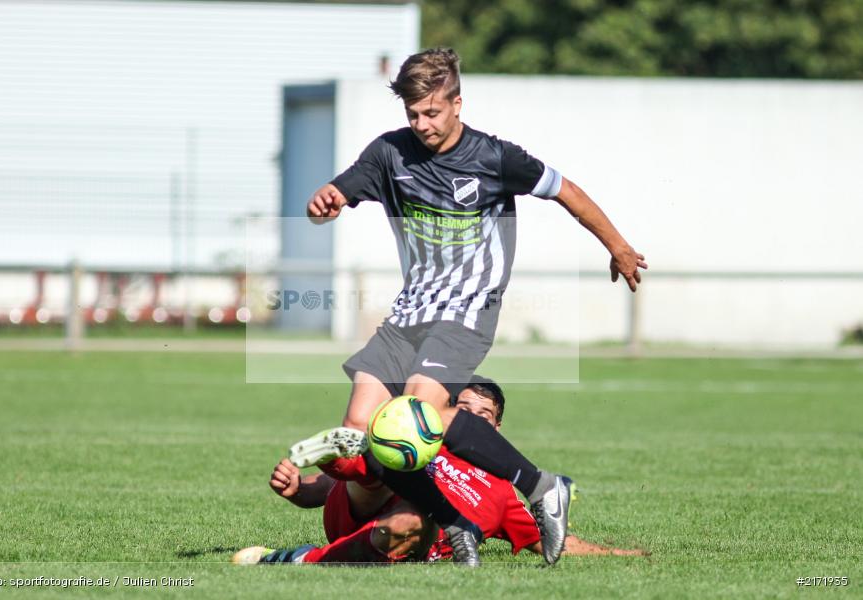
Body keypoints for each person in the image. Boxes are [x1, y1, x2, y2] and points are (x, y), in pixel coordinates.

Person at [293, 47, 647, 566]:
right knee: (367, 436)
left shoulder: (496, 158)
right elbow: (339, 193)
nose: (422, 124)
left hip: (466, 308)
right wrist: (323, 202)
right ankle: (454, 520)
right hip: (409, 313)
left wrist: (616, 245)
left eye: (432, 112)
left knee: (419, 412)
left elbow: (565, 190)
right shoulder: (390, 154)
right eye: (412, 114)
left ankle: (542, 486)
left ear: (457, 103)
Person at [236, 378, 642, 565]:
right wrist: (300, 489)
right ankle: (335, 450)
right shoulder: (421, 441)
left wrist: (624, 555)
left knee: (412, 516)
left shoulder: (500, 491)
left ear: (497, 430)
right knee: (387, 459)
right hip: (359, 503)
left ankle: (296, 560)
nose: (471, 420)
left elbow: (549, 539)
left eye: (483, 416)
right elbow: (324, 492)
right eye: (461, 411)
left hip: (401, 532)